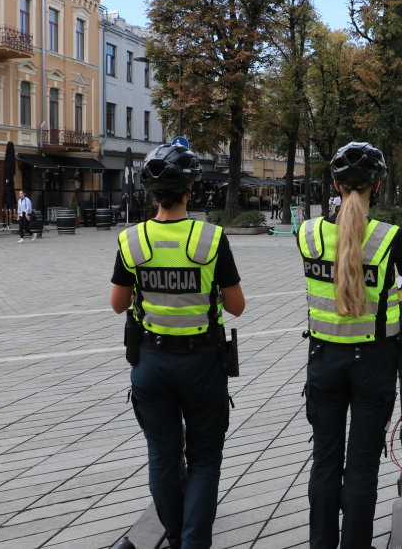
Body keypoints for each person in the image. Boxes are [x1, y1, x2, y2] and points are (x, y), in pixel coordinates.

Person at [299, 142, 402, 549]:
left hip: (323, 360)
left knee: (325, 462)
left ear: (335, 184)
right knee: (362, 465)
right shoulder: (389, 237)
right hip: (373, 364)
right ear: (377, 185)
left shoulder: (307, 233)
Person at [109, 144, 246, 549]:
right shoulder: (211, 238)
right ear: (191, 189)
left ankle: (173, 533)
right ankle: (193, 541)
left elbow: (118, 304)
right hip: (202, 362)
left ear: (152, 194)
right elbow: (236, 307)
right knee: (204, 458)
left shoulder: (132, 240)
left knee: (163, 456)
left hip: (151, 361)